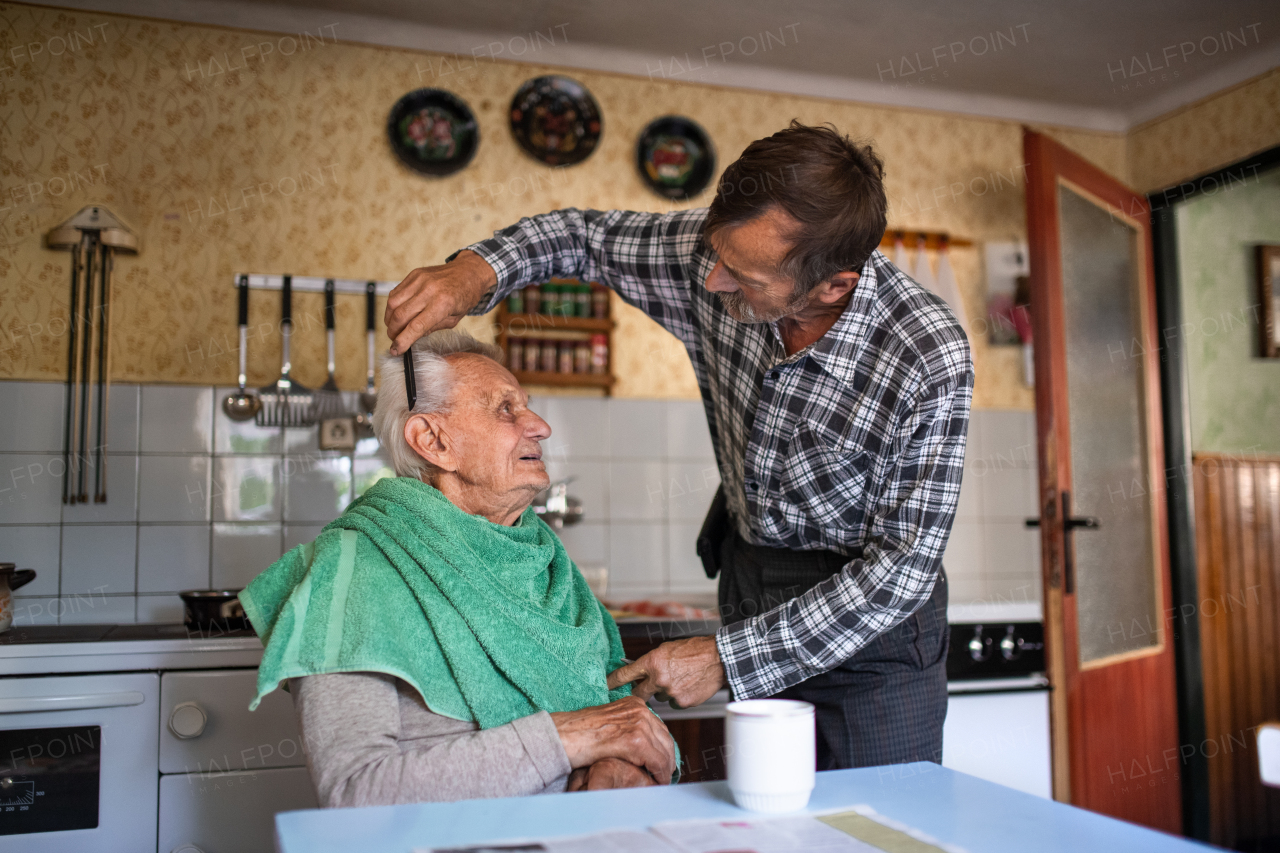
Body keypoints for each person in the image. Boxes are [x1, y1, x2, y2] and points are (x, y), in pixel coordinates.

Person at [383, 122, 973, 771]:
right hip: (752, 572)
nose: (712, 281)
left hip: (872, 626)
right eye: (715, 253)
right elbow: (581, 237)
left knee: (876, 828)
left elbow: (901, 571)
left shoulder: (926, 354)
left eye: (742, 276)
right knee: (763, 817)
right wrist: (475, 270)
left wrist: (726, 658)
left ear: (831, 286)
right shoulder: (710, 257)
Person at [240, 331, 676, 807]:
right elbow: (356, 793)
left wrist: (618, 761)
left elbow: (624, 724)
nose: (540, 426)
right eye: (505, 408)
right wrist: (570, 739)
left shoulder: (548, 566)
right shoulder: (353, 572)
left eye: (526, 405)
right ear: (432, 440)